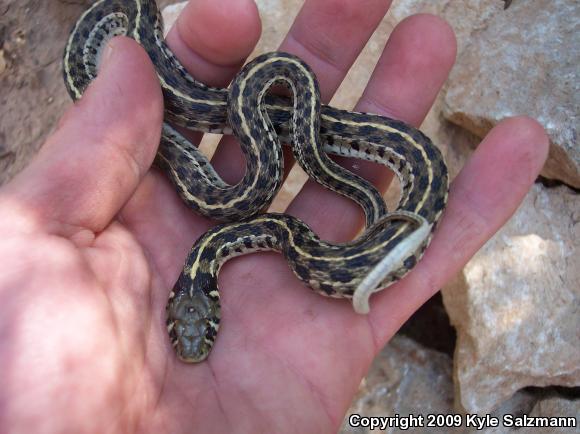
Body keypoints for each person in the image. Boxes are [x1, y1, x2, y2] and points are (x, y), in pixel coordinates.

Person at [0, 0, 548, 432]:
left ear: (191, 298)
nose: (196, 341)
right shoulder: (235, 216)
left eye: (196, 328)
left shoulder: (249, 222)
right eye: (204, 332)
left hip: (290, 122)